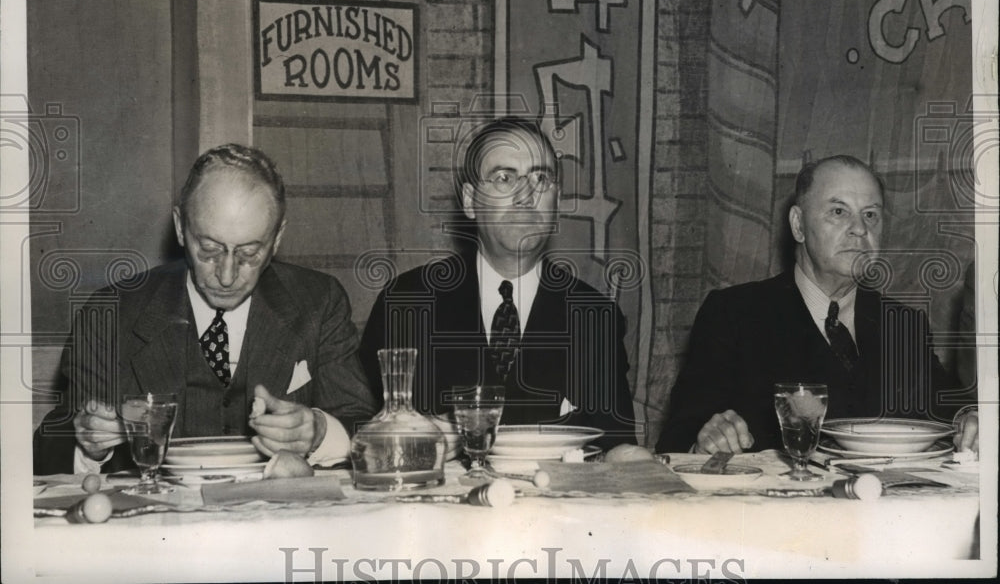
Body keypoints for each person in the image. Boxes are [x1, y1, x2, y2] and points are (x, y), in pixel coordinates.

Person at [34, 144, 376, 474]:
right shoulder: (110, 314)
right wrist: (89, 446)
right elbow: (49, 446)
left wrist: (318, 431)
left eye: (249, 253)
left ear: (278, 238)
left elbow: (363, 423)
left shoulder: (318, 301)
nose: (227, 276)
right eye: (209, 250)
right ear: (181, 228)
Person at [656, 155, 979, 455]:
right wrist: (706, 440)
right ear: (798, 225)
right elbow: (679, 439)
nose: (859, 228)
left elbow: (948, 405)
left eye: (871, 215)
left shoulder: (902, 323)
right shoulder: (734, 314)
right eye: (838, 212)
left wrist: (971, 418)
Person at [359, 117, 638, 450]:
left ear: (556, 201)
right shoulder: (406, 303)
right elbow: (367, 436)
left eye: (541, 178)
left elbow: (619, 449)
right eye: (504, 178)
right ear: (469, 201)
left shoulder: (595, 317)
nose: (526, 195)